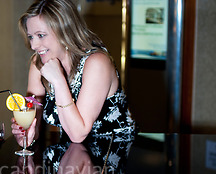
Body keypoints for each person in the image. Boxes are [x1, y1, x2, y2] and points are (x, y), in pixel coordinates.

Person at [12, 0, 136, 145]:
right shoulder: (38, 63)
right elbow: (34, 117)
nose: (33, 45)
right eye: (31, 36)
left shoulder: (97, 63)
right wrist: (26, 135)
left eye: (40, 35)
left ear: (64, 31)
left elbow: (78, 134)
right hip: (73, 152)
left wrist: (59, 81)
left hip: (114, 150)